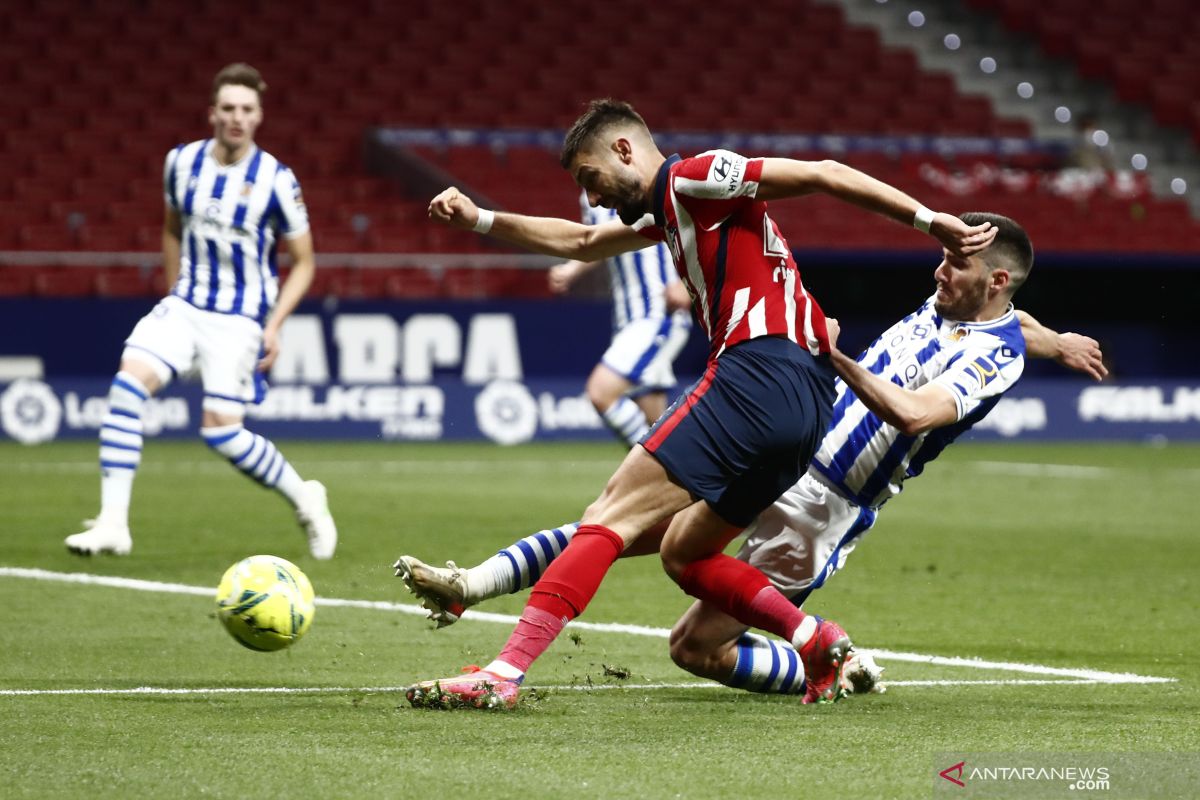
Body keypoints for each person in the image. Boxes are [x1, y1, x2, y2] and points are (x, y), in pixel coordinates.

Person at [410, 98, 997, 710]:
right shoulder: (671, 211)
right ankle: (812, 638)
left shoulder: (694, 178)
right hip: (804, 409)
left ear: (624, 150)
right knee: (684, 553)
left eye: (593, 179)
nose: (597, 197)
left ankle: (503, 673)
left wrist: (932, 222)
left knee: (608, 516)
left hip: (757, 371)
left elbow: (824, 172)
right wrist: (481, 220)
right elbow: (583, 242)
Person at [397, 213, 1106, 701]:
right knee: (611, 522)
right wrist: (1062, 337)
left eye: (958, 264)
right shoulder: (962, 304)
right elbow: (1016, 319)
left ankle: (826, 664)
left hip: (823, 508)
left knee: (693, 649)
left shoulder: (994, 356)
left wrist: (829, 353)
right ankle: (473, 585)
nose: (940, 270)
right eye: (946, 256)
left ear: (997, 281)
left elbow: (917, 410)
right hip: (783, 453)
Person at [64, 63, 337, 559]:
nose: (237, 117)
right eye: (229, 108)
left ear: (259, 116)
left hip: (239, 320)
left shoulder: (276, 180)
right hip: (186, 305)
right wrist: (173, 291)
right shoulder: (181, 163)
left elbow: (304, 263)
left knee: (222, 433)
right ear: (212, 112)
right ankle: (112, 525)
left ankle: (304, 494)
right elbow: (172, 228)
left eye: (247, 110)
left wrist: (273, 326)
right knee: (127, 388)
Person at [547, 190, 692, 447]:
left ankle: (654, 468)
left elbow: (688, 225)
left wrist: (686, 283)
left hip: (658, 314)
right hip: (628, 318)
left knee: (601, 392)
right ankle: (678, 476)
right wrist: (572, 269)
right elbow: (597, 240)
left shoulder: (642, 176)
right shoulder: (589, 195)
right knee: (658, 426)